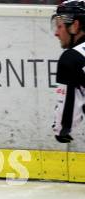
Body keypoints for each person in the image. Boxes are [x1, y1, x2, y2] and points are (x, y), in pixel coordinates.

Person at [52, 0, 85, 143]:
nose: (56, 33)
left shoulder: (71, 58)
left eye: (60, 26)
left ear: (75, 26)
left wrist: (61, 130)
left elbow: (68, 108)